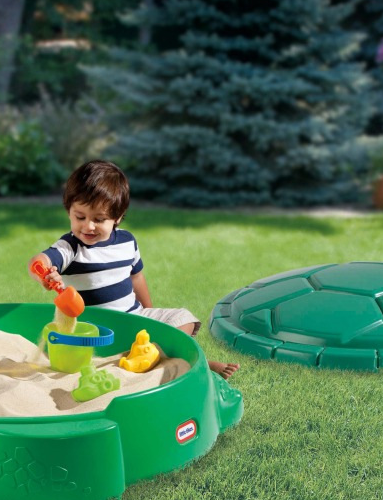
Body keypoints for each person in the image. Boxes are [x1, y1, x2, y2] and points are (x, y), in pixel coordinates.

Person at [28, 160, 240, 380]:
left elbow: (137, 278)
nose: (88, 226)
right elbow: (40, 260)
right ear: (69, 211)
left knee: (184, 318)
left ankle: (163, 354)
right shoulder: (71, 247)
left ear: (118, 217)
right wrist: (44, 273)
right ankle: (174, 359)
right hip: (98, 328)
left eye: (99, 219)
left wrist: (149, 314)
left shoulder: (127, 241)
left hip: (134, 317)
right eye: (80, 217)